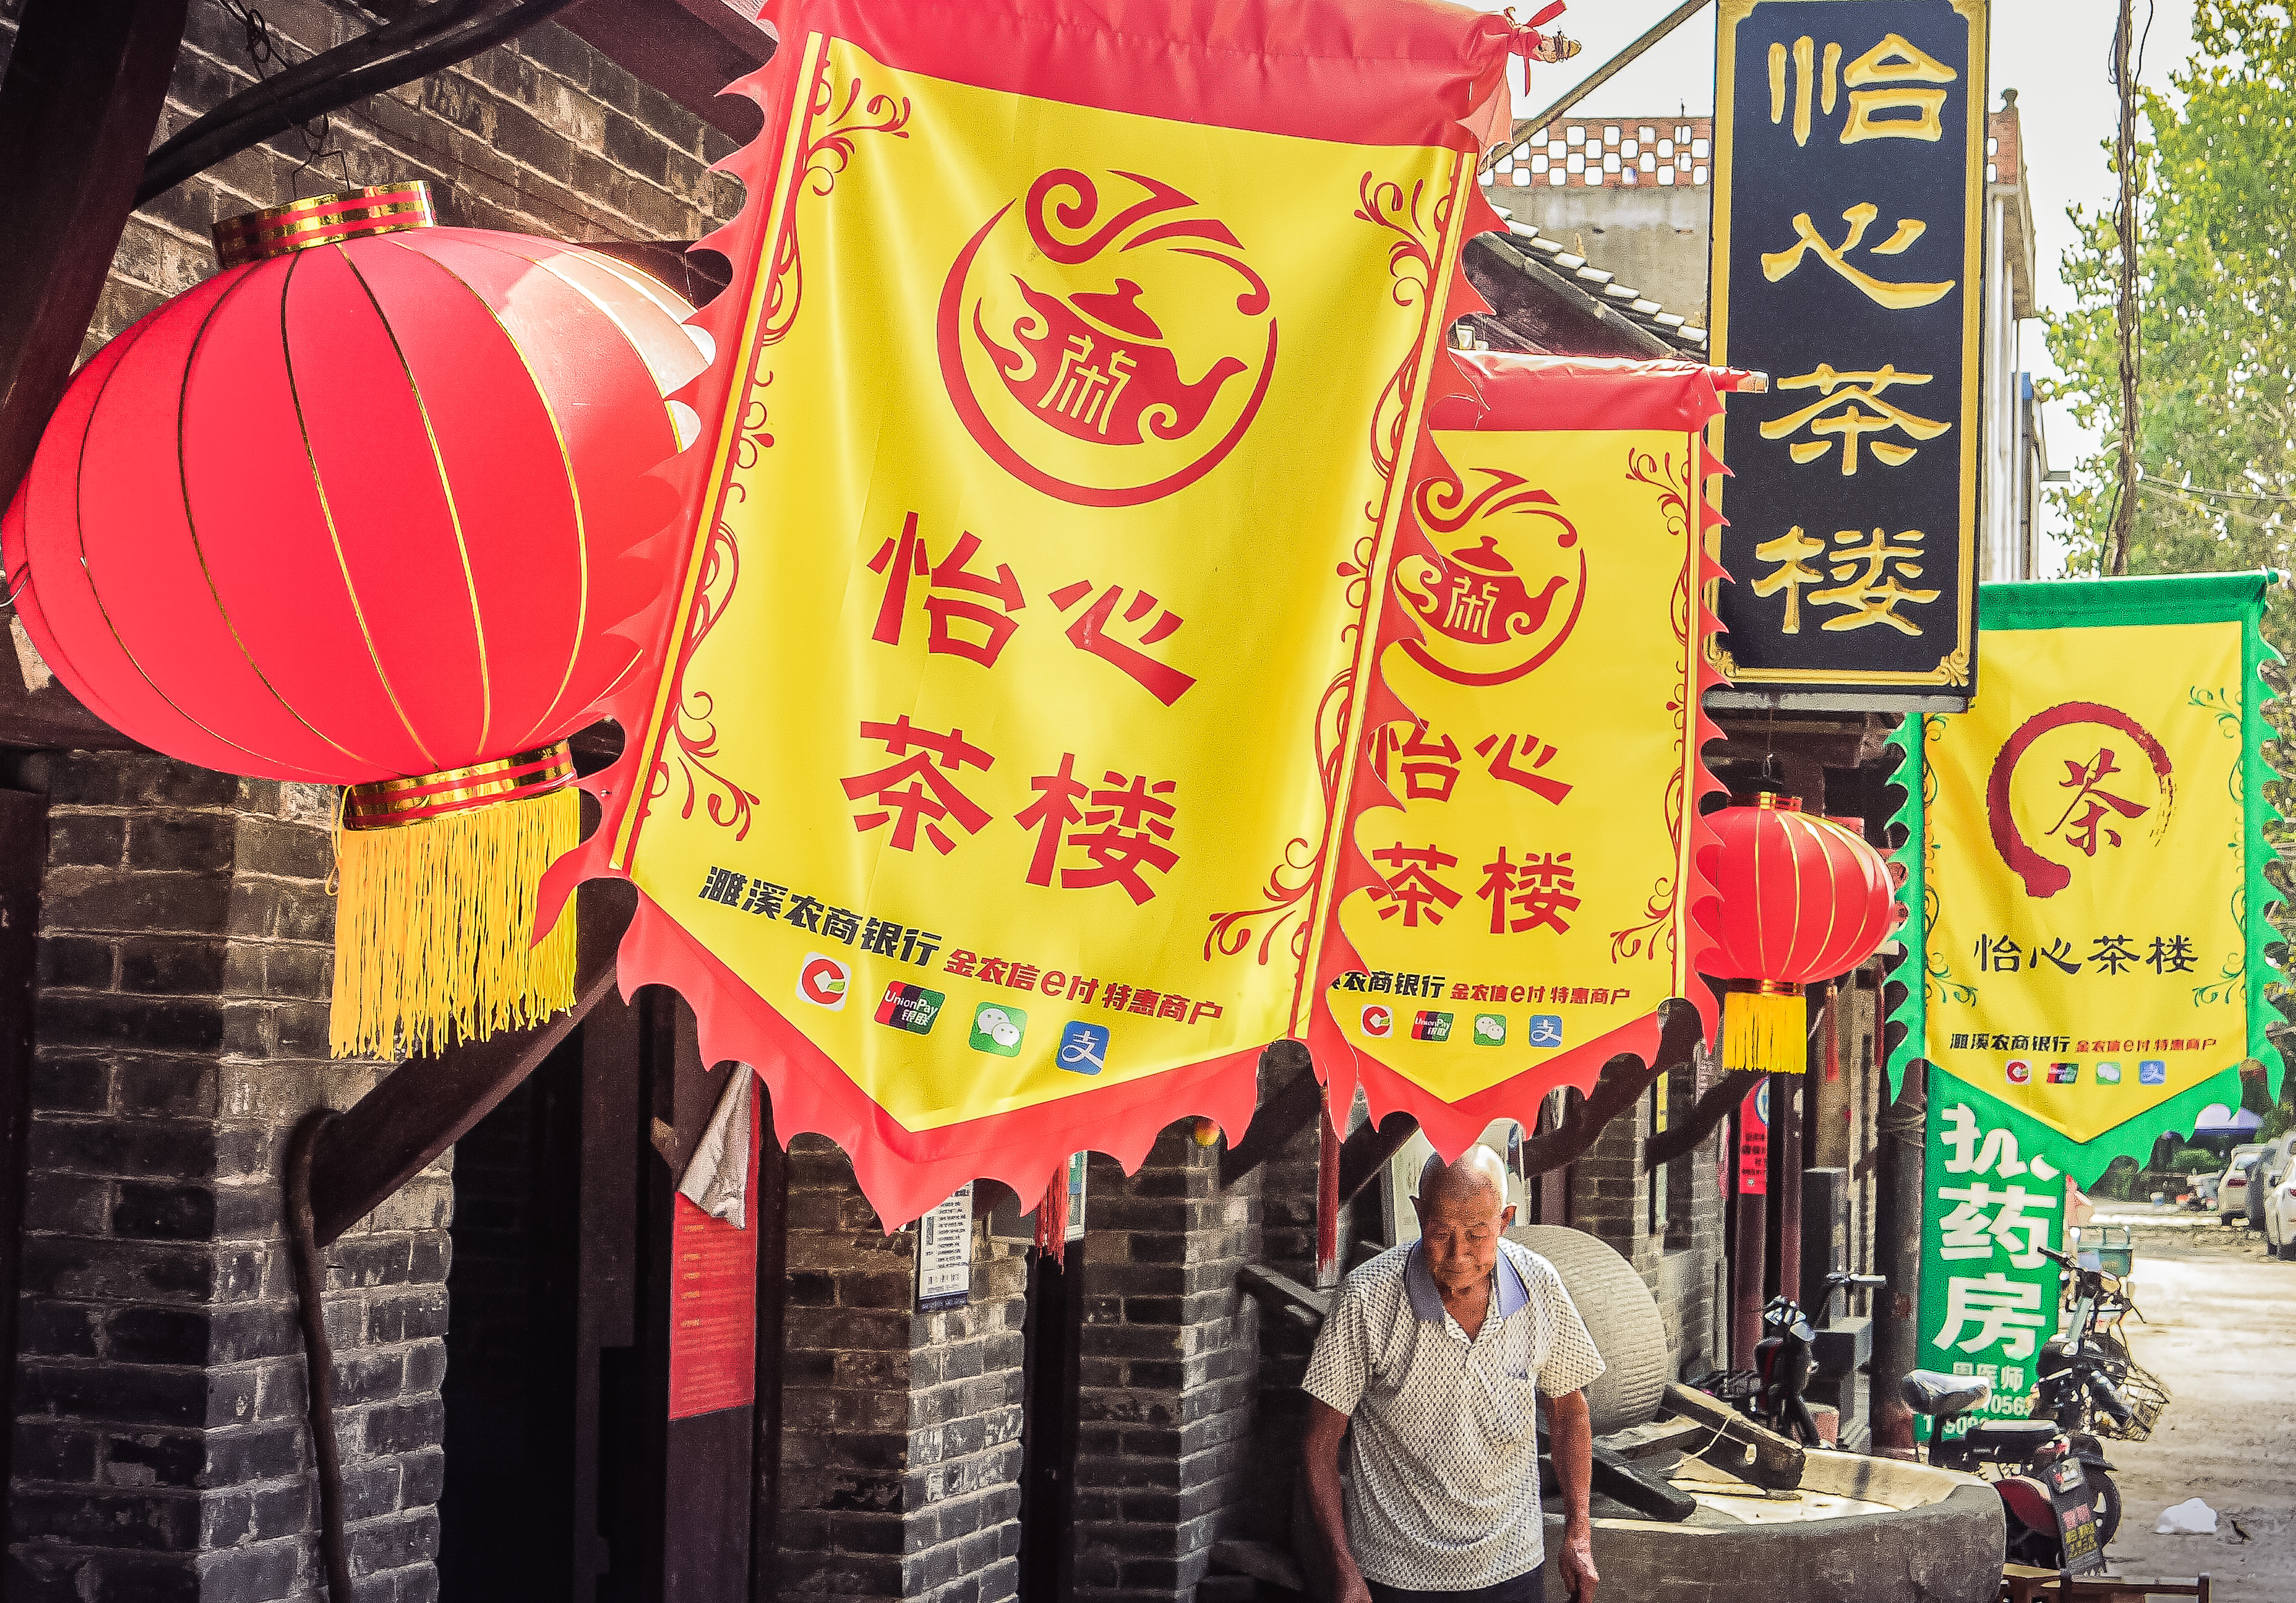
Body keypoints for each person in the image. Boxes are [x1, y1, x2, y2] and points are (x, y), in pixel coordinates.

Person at [1301, 1147, 1604, 1603]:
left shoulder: (1539, 1284)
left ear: (1506, 1220)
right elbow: (1319, 1444)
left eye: (1478, 1234)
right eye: (1440, 1231)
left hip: (1512, 1563)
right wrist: (1343, 1570)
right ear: (1418, 1212)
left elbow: (1569, 1411)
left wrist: (1579, 1531)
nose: (1458, 1254)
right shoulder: (1368, 1296)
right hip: (1395, 1572)